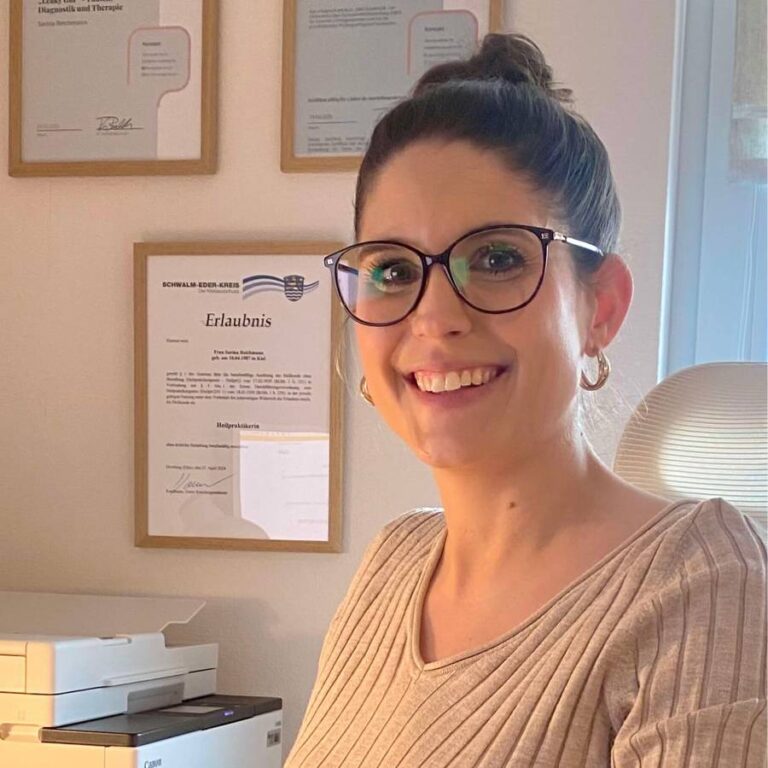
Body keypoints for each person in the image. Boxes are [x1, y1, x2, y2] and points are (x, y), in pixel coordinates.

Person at [285, 34, 767, 767]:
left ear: (601, 308)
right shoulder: (391, 565)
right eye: (393, 270)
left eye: (498, 258)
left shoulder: (702, 579)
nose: (433, 317)